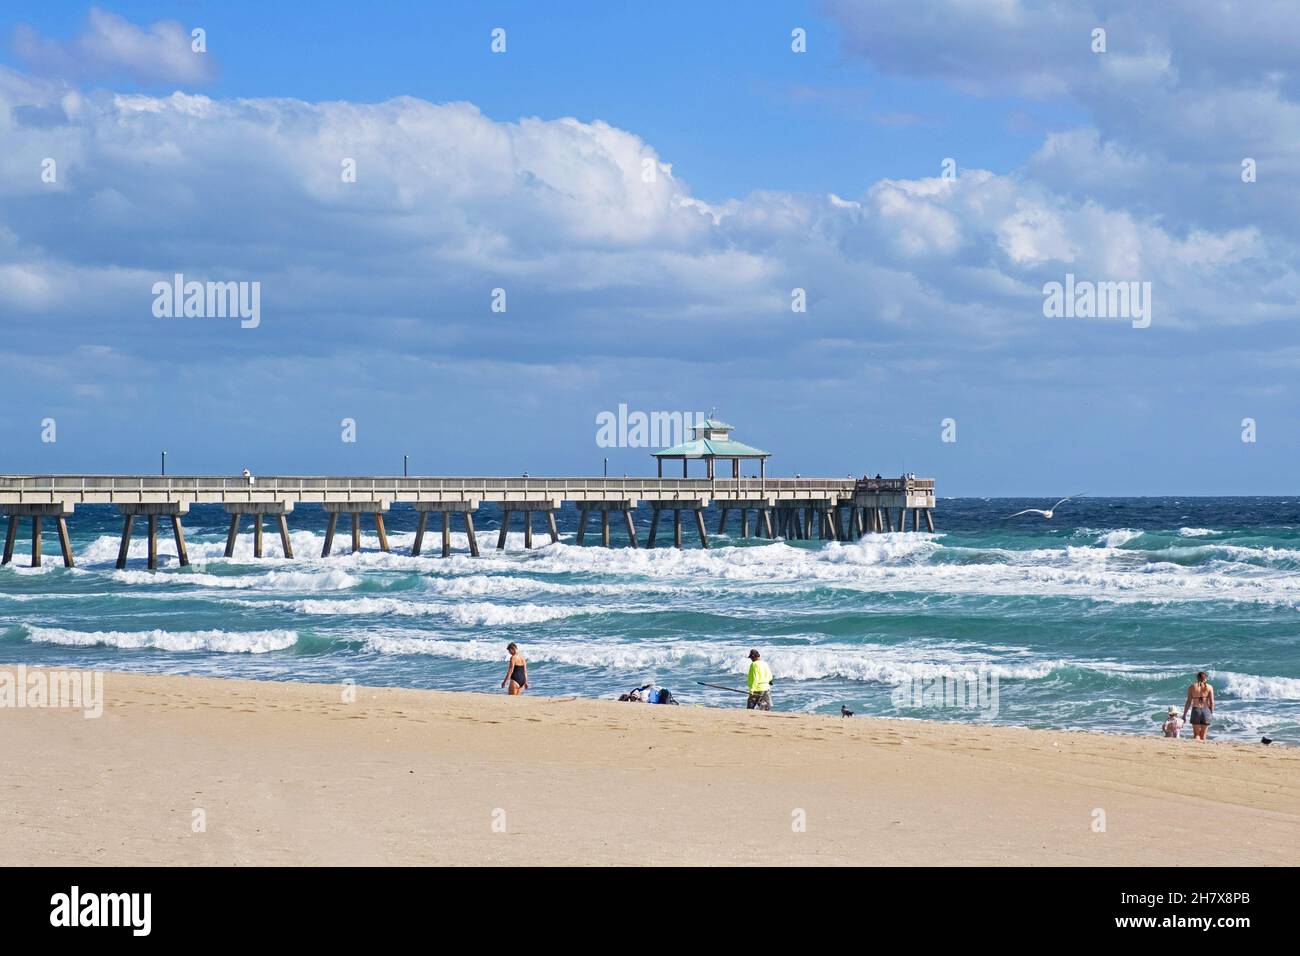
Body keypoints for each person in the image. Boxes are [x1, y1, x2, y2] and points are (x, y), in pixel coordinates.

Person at [1182, 671, 1214, 740]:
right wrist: (1211, 713)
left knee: (1196, 735)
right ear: (1205, 678)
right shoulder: (1210, 687)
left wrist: (1184, 715)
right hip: (1206, 710)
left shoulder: (1192, 687)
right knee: (1203, 735)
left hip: (1196, 710)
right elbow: (1212, 702)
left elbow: (1188, 702)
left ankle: (1196, 747)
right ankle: (1203, 749)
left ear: (1197, 678)